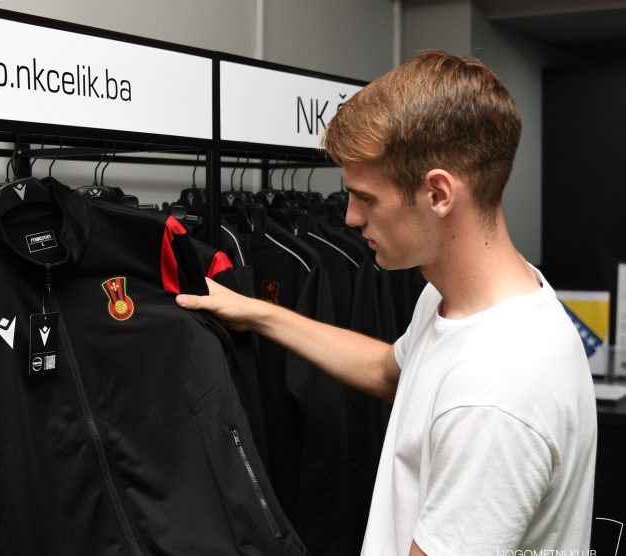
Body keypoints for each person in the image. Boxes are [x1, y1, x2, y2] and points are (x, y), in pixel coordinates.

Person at [176, 50, 597, 556]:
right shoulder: (459, 298)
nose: (350, 218)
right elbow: (390, 371)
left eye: (366, 198)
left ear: (438, 194)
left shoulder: (495, 395)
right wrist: (258, 312)